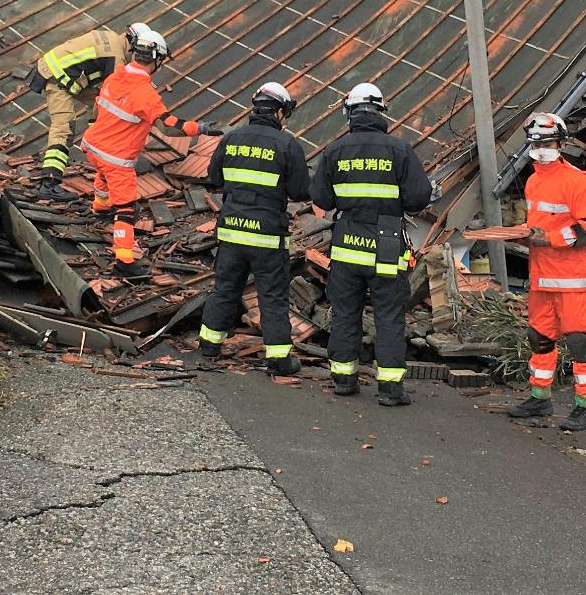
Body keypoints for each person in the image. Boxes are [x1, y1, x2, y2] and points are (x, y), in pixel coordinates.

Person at [310, 82, 435, 406]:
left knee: (345, 312)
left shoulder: (335, 151)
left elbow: (320, 198)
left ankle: (343, 380)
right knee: (389, 315)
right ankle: (391, 389)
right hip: (387, 244)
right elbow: (419, 198)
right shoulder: (399, 150)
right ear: (381, 111)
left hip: (347, 243)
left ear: (349, 113)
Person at [197, 82, 311, 377]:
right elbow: (300, 191)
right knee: (272, 296)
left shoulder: (231, 139)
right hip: (267, 236)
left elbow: (214, 178)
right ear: (281, 111)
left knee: (224, 288)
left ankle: (209, 347)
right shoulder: (288, 145)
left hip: (232, 231)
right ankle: (278, 359)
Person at [503, 112, 586, 431]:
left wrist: (547, 238)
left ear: (561, 143)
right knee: (539, 337)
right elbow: (544, 223)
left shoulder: (575, 180)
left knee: (578, 341)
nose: (541, 148)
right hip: (543, 276)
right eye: (536, 143)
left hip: (574, 278)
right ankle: (540, 397)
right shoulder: (534, 180)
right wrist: (526, 232)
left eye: (547, 143)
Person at [80, 26, 205, 270]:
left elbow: (98, 109)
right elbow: (170, 127)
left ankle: (100, 206)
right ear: (157, 59)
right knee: (126, 208)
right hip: (116, 158)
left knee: (103, 174)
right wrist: (201, 129)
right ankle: (124, 259)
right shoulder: (145, 94)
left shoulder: (115, 77)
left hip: (92, 145)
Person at [28, 23, 151, 197]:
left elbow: (101, 94)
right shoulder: (116, 56)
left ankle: (98, 149)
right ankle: (48, 183)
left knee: (96, 102)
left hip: (65, 75)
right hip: (57, 79)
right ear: (134, 45)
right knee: (64, 128)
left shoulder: (111, 39)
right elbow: (115, 96)